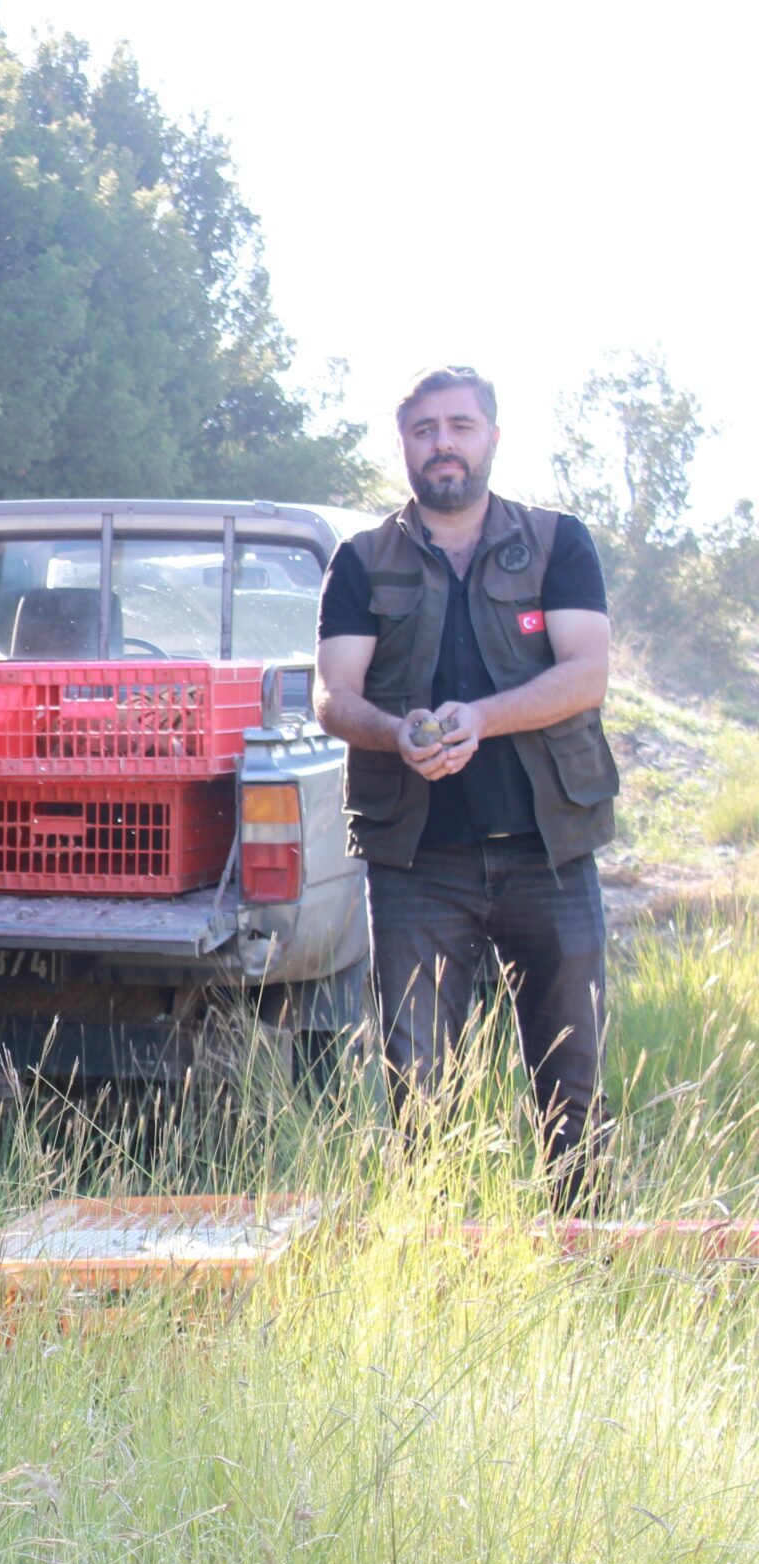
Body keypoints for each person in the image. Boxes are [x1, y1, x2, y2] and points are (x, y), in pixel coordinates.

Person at [314, 366, 620, 1204]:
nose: (441, 442)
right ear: (405, 445)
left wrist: (481, 717)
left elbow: (586, 674)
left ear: (491, 437)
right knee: (419, 1094)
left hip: (548, 854)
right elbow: (333, 693)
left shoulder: (559, 542)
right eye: (423, 430)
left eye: (459, 425)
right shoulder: (362, 559)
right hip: (418, 864)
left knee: (573, 1089)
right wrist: (397, 733)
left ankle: (584, 1262)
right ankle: (437, 1274)